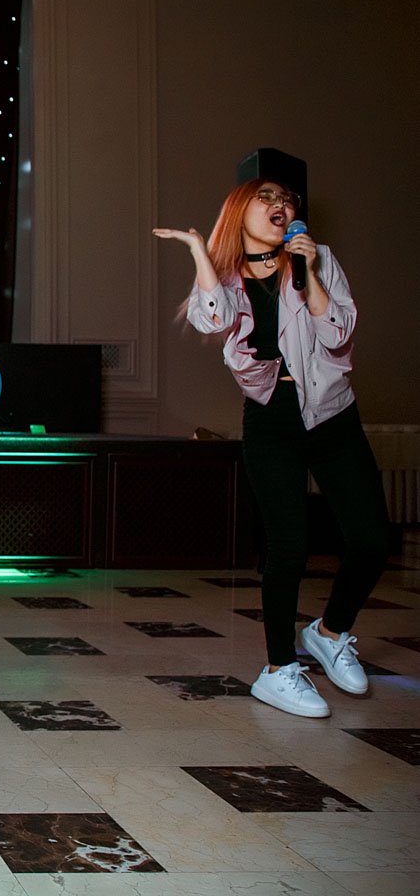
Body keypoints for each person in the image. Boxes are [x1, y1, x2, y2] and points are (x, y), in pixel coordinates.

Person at [155, 179, 390, 719]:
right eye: (266, 197)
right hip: (271, 418)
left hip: (332, 413)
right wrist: (201, 253)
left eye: (286, 199)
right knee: (289, 545)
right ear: (240, 210)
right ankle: (280, 669)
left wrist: (309, 273)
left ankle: (330, 633)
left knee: (373, 538)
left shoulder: (316, 257)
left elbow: (338, 334)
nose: (280, 205)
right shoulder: (226, 276)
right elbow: (211, 319)